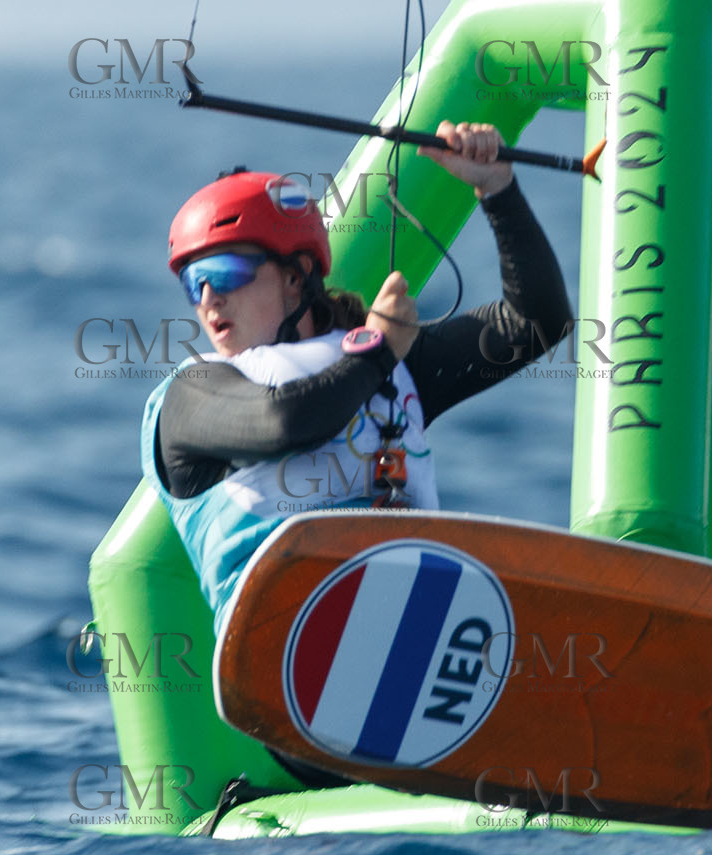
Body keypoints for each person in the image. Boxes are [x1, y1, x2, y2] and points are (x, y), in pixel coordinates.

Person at [140, 121, 574, 644]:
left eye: (227, 272)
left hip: (417, 626)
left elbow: (536, 323)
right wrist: (381, 350)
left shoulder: (391, 364)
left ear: (297, 275)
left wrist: (497, 190)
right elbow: (286, 421)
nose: (209, 298)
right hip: (282, 639)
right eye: (194, 281)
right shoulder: (189, 398)